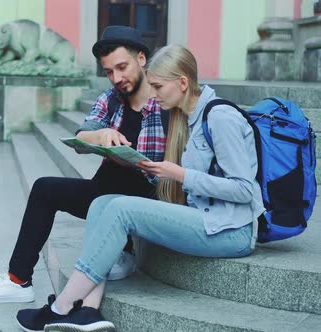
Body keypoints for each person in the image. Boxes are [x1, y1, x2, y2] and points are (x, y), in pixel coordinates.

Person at [15, 44, 265, 332]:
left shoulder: (220, 117)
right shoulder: (189, 116)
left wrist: (179, 174)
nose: (154, 95)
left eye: (158, 86)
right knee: (102, 202)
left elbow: (245, 190)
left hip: (232, 231)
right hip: (206, 219)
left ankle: (59, 308)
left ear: (182, 83)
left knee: (121, 208)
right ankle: (88, 311)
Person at [0, 26, 168, 304]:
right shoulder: (111, 99)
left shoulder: (164, 99)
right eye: (109, 72)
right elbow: (82, 136)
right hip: (104, 198)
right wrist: (101, 135)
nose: (117, 78)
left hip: (146, 201)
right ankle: (18, 280)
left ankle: (124, 251)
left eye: (122, 67)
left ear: (142, 59)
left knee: (131, 179)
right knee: (45, 188)